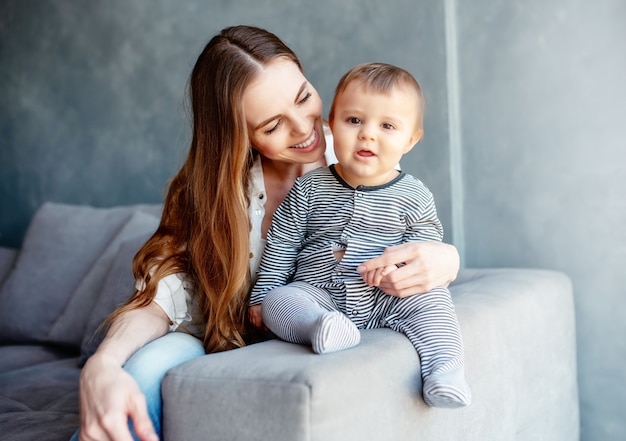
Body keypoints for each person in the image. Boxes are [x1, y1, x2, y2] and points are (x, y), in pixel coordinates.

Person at [73, 27, 461, 441]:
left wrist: (447, 258)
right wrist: (103, 365)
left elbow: (413, 228)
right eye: (273, 125)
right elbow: (158, 298)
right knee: (142, 373)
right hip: (215, 338)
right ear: (237, 135)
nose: (305, 129)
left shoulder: (359, 150)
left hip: (329, 320)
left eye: (304, 97)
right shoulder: (208, 191)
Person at [249, 62, 471, 408]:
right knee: (281, 301)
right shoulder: (309, 188)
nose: (368, 134)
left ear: (410, 140)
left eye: (387, 126)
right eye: (354, 120)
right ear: (332, 124)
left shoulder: (415, 196)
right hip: (321, 293)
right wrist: (263, 294)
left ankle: (445, 370)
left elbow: (425, 253)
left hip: (387, 296)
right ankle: (320, 327)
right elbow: (283, 241)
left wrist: (398, 272)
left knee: (434, 302)